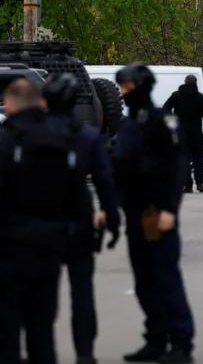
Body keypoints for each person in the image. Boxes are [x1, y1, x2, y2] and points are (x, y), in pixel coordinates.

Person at [111, 65, 195, 363]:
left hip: (156, 212)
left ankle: (181, 343)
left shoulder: (163, 121)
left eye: (127, 87)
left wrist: (170, 209)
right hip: (135, 212)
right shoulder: (129, 123)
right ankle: (155, 340)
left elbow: (176, 169)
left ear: (142, 87)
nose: (122, 93)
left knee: (164, 278)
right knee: (144, 280)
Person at [0, 78, 87, 364]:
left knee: (7, 330)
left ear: (9, 105)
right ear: (40, 103)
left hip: (9, 247)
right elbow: (77, 195)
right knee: (42, 328)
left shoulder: (5, 139)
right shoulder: (60, 140)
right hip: (49, 244)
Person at [43, 74, 121, 364]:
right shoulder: (86, 137)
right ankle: (85, 353)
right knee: (82, 294)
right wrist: (113, 221)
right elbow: (105, 183)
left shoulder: (26, 133)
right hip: (78, 223)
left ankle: (43, 350)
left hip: (40, 226)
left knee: (42, 295)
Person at [163, 75, 203, 193]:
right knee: (198, 159)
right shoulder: (200, 98)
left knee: (184, 159)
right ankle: (200, 183)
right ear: (195, 83)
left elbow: (165, 109)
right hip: (196, 134)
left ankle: (188, 185)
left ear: (185, 82)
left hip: (180, 134)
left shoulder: (176, 96)